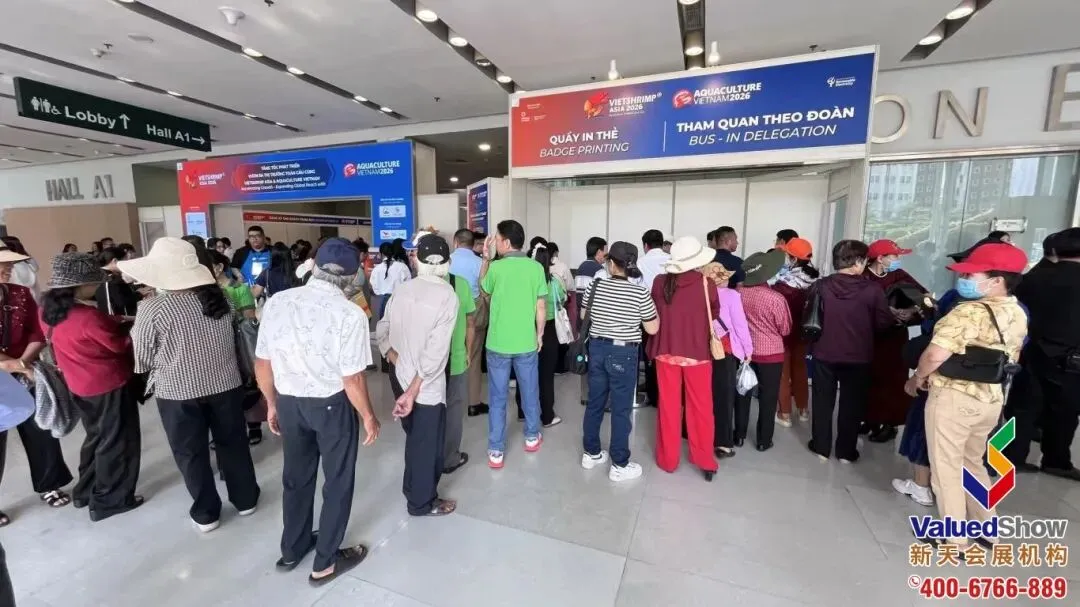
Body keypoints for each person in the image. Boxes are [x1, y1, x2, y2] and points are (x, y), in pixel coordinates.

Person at [255, 237, 379, 585]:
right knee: (337, 480)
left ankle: (292, 548)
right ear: (352, 277)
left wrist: (271, 403)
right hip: (330, 406)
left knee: (296, 477)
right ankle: (325, 561)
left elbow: (262, 363)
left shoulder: (278, 302)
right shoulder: (350, 314)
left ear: (315, 266)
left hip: (290, 403)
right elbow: (352, 378)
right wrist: (368, 416)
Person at [121, 237, 260, 533]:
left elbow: (141, 359)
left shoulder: (152, 309)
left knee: (191, 453)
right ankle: (246, 500)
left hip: (178, 393)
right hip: (226, 386)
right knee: (233, 444)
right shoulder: (220, 300)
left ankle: (207, 513)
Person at [904, 243, 1028, 549]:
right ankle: (986, 528)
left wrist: (918, 378)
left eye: (972, 274)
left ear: (996, 280)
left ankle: (955, 537)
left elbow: (934, 355)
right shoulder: (1017, 312)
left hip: (954, 398)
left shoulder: (968, 312)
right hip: (990, 399)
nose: (965, 279)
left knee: (946, 466)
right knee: (972, 463)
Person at [40, 253, 143, 521]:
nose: (97, 286)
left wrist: (115, 321)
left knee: (96, 438)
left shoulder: (48, 311)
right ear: (79, 286)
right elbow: (118, 346)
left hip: (78, 384)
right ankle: (111, 500)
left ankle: (85, 491)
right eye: (93, 282)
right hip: (108, 384)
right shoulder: (88, 317)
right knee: (117, 442)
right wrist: (136, 330)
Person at [377, 234, 460, 516]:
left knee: (415, 437)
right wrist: (414, 390)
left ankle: (411, 488)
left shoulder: (402, 290)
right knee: (429, 445)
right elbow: (435, 352)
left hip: (398, 374)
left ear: (418, 260)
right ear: (446, 262)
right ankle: (421, 502)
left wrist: (393, 357)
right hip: (425, 384)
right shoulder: (448, 295)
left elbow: (382, 328)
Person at [0, 246, 74, 527]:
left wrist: (23, 361)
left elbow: (38, 330)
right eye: (2, 264)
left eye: (10, 264)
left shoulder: (19, 293)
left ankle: (49, 484)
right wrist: (14, 365)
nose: (8, 268)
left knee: (41, 429)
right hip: (12, 372)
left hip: (27, 369)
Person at [808, 240, 895, 463]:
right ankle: (846, 452)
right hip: (858, 355)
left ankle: (821, 447)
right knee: (852, 404)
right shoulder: (872, 290)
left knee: (821, 401)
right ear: (857, 262)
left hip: (824, 352)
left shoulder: (820, 286)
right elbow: (884, 323)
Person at [1004, 227, 1080, 480]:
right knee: (1065, 411)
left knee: (1021, 407)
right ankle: (1057, 461)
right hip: (1070, 358)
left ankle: (1009, 456)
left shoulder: (1033, 278)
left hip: (1030, 350)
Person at [580, 242, 658, 481]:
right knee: (621, 409)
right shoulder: (640, 292)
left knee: (595, 402)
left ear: (611, 264)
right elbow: (652, 328)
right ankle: (619, 464)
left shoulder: (595, 286)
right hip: (624, 353)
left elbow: (584, 316)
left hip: (597, 348)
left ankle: (591, 453)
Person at [648, 236, 720, 481]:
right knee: (701, 408)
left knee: (668, 407)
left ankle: (668, 460)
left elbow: (655, 310)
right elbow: (714, 313)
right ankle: (705, 460)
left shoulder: (660, 282)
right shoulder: (706, 284)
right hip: (697, 353)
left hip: (666, 352)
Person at [479, 220, 548, 469]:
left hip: (497, 343)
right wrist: (539, 334)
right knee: (529, 391)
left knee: (497, 397)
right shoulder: (536, 268)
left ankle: (496, 450)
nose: (496, 243)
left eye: (497, 239)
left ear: (506, 242)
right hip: (526, 342)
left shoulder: (496, 268)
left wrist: (485, 259)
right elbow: (541, 306)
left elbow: (484, 290)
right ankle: (531, 436)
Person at [863, 239, 929, 443]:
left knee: (892, 379)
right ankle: (869, 419)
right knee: (867, 379)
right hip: (869, 336)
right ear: (880, 258)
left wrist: (910, 311)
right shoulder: (863, 277)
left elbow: (924, 296)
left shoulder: (899, 275)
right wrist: (885, 310)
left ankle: (890, 424)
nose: (898, 259)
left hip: (895, 337)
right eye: (895, 255)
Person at [734, 250, 791, 452]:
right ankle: (763, 440)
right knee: (768, 397)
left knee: (742, 392)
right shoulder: (776, 299)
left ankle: (739, 435)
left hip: (744, 352)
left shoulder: (738, 293)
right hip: (771, 354)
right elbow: (785, 328)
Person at [702, 262, 750, 459]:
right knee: (724, 396)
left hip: (702, 350)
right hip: (723, 350)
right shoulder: (731, 295)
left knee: (703, 395)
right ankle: (723, 443)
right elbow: (740, 325)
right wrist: (748, 349)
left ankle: (700, 435)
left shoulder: (700, 294)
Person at [514, 242, 565, 427]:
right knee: (546, 375)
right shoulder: (554, 282)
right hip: (549, 330)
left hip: (526, 328)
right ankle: (547, 416)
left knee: (523, 372)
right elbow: (562, 300)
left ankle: (522, 411)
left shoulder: (524, 281)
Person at [772, 237, 818, 426]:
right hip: (804, 331)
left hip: (784, 332)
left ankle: (784, 414)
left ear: (793, 258)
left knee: (783, 373)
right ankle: (803, 409)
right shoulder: (815, 279)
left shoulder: (784, 284)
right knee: (800, 368)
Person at [450, 229, 487, 418]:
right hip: (474, 310)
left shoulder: (448, 260)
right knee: (473, 357)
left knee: (448, 353)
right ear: (473, 244)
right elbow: (484, 289)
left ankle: (449, 399)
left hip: (449, 311)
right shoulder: (480, 263)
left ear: (455, 242)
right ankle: (473, 404)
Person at [370, 240, 411, 320]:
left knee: (384, 325)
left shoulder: (376, 269)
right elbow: (409, 284)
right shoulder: (402, 267)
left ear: (381, 254)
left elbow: (374, 288)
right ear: (393, 253)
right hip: (399, 301)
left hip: (381, 303)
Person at [96, 247, 141, 319]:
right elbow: (121, 302)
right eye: (125, 261)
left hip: (105, 318)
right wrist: (139, 294)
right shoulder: (112, 278)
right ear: (115, 261)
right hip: (118, 320)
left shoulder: (98, 275)